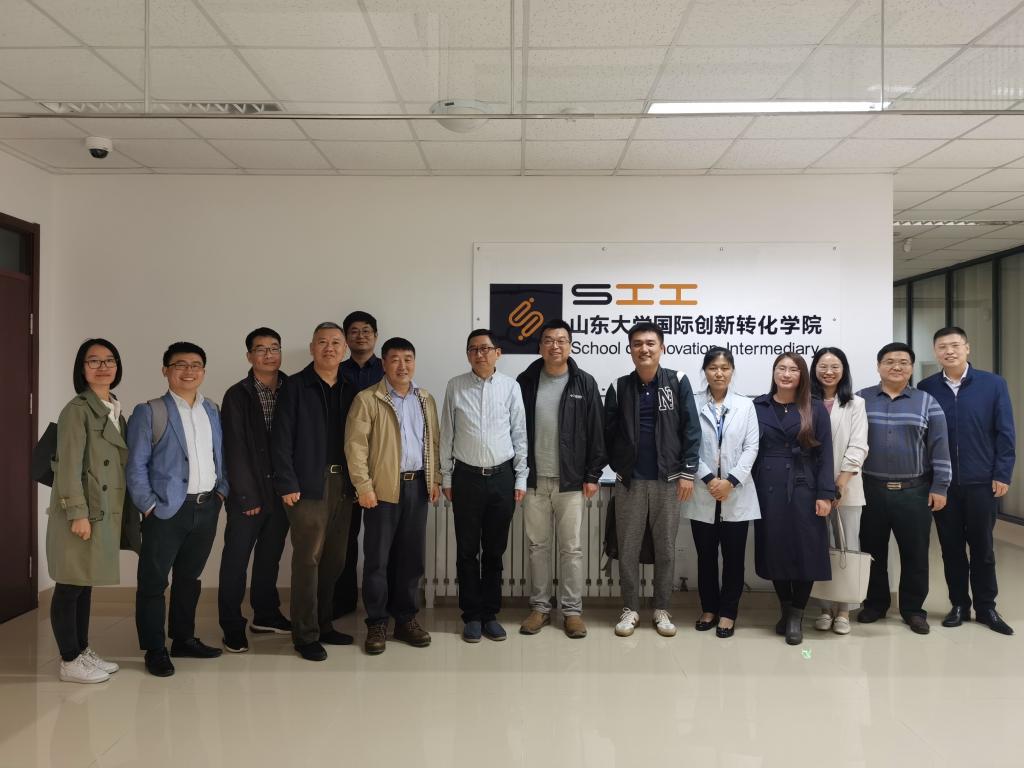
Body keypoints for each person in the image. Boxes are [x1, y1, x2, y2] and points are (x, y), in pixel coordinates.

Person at [127, 341, 229, 677]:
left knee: (189, 578)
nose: (189, 371)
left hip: (206, 507)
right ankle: (155, 649)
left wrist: (221, 492)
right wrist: (148, 506)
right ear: (165, 370)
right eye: (180, 364)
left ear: (203, 371)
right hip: (165, 511)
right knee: (154, 581)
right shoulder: (149, 411)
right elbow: (135, 465)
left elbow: (220, 455)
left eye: (196, 365)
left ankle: (183, 639)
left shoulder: (211, 409)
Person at [345, 337, 441, 655]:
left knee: (411, 559)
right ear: (383, 363)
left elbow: (433, 442)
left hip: (418, 487)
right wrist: (364, 487)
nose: (402, 365)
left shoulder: (425, 399)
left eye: (408, 359)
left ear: (414, 362)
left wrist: (435, 479)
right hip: (382, 490)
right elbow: (355, 448)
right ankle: (376, 622)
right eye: (395, 359)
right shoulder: (368, 399)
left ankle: (405, 620)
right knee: (378, 560)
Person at [604, 321, 700, 638]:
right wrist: (619, 467)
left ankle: (662, 608)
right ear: (630, 349)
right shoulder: (619, 387)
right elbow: (607, 434)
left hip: (668, 480)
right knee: (628, 548)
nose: (644, 349)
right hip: (630, 482)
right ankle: (630, 608)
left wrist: (687, 472)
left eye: (650, 343)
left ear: (662, 348)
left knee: (665, 550)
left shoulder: (678, 381)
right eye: (637, 344)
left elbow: (691, 429)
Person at [919, 327, 1016, 635]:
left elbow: (1005, 431)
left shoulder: (993, 384)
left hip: (981, 481)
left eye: (955, 345)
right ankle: (959, 604)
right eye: (942, 347)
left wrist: (1002, 472)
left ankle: (987, 607)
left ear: (967, 348)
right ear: (935, 352)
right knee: (951, 548)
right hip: (943, 485)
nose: (949, 351)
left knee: (983, 547)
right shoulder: (927, 387)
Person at [516, 319, 605, 639]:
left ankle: (572, 611)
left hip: (572, 481)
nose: (555, 345)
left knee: (571, 549)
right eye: (549, 340)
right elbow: (513, 428)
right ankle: (540, 608)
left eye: (562, 340)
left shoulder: (585, 382)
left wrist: (593, 474)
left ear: (570, 345)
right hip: (533, 479)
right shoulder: (525, 381)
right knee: (537, 547)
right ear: (540, 346)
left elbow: (597, 431)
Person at [439, 328, 528, 643]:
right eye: (473, 349)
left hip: (502, 478)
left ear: (498, 353)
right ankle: (471, 616)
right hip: (466, 478)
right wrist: (446, 476)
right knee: (466, 551)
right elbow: (447, 433)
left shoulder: (510, 387)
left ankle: (490, 615)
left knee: (494, 550)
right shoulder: (455, 386)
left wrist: (521, 476)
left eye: (485, 348)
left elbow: (519, 434)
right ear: (468, 355)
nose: (480, 354)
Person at [271, 321, 353, 661]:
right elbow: (281, 437)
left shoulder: (351, 387)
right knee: (308, 559)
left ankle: (324, 624)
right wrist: (287, 482)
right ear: (311, 348)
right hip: (306, 485)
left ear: (344, 350)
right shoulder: (295, 386)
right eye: (322, 342)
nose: (329, 348)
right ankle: (304, 634)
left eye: (336, 342)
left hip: (344, 484)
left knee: (335, 559)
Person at [47, 339, 127, 683]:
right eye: (93, 361)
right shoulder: (77, 410)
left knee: (84, 583)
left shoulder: (113, 407)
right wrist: (77, 513)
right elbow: (68, 467)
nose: (103, 367)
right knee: (69, 585)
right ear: (82, 368)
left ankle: (81, 650)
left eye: (109, 360)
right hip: (80, 512)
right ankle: (69, 660)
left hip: (101, 511)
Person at [856, 342, 951, 635]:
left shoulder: (926, 402)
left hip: (914, 492)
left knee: (915, 554)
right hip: (870, 490)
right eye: (889, 361)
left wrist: (941, 486)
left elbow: (939, 447)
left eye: (903, 362)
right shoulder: (861, 399)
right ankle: (875, 604)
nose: (896, 367)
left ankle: (913, 610)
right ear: (878, 366)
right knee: (872, 552)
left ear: (911, 367)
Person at [752, 352, 834, 646]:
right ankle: (785, 609)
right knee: (774, 548)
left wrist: (825, 494)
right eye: (781, 368)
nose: (786, 374)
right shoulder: (758, 405)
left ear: (802, 376)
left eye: (793, 370)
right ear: (774, 372)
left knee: (806, 550)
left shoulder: (814, 407)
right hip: (767, 486)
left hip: (804, 485)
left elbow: (826, 454)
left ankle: (797, 614)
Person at [217, 327, 291, 653]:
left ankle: (266, 614)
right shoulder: (238, 395)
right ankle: (232, 625)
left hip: (282, 491)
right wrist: (246, 495)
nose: (269, 354)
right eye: (261, 349)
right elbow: (234, 448)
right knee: (236, 561)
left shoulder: (292, 388)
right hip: (248, 493)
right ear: (249, 356)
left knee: (269, 557)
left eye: (274, 348)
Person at [683, 347, 760, 639]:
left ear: (732, 371)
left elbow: (752, 447)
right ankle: (709, 609)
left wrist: (730, 481)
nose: (719, 373)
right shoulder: (692, 403)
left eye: (725, 368)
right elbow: (687, 444)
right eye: (713, 368)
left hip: (735, 492)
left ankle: (728, 613)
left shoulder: (745, 405)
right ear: (705, 371)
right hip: (703, 490)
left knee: (734, 558)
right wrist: (708, 478)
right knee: (705, 556)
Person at [810, 346, 869, 636]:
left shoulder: (856, 403)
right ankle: (823, 608)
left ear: (844, 370)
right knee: (819, 547)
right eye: (823, 366)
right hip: (811, 489)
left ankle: (844, 610)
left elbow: (858, 445)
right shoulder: (805, 401)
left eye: (835, 366)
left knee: (848, 546)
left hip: (846, 488)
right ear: (814, 369)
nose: (828, 371)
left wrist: (841, 483)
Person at [333, 310, 385, 618]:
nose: (361, 335)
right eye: (354, 331)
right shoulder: (336, 372)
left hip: (381, 466)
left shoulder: (388, 369)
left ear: (375, 336)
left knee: (382, 542)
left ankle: (382, 602)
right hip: (344, 467)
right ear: (346, 338)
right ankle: (344, 600)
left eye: (367, 330)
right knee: (345, 538)